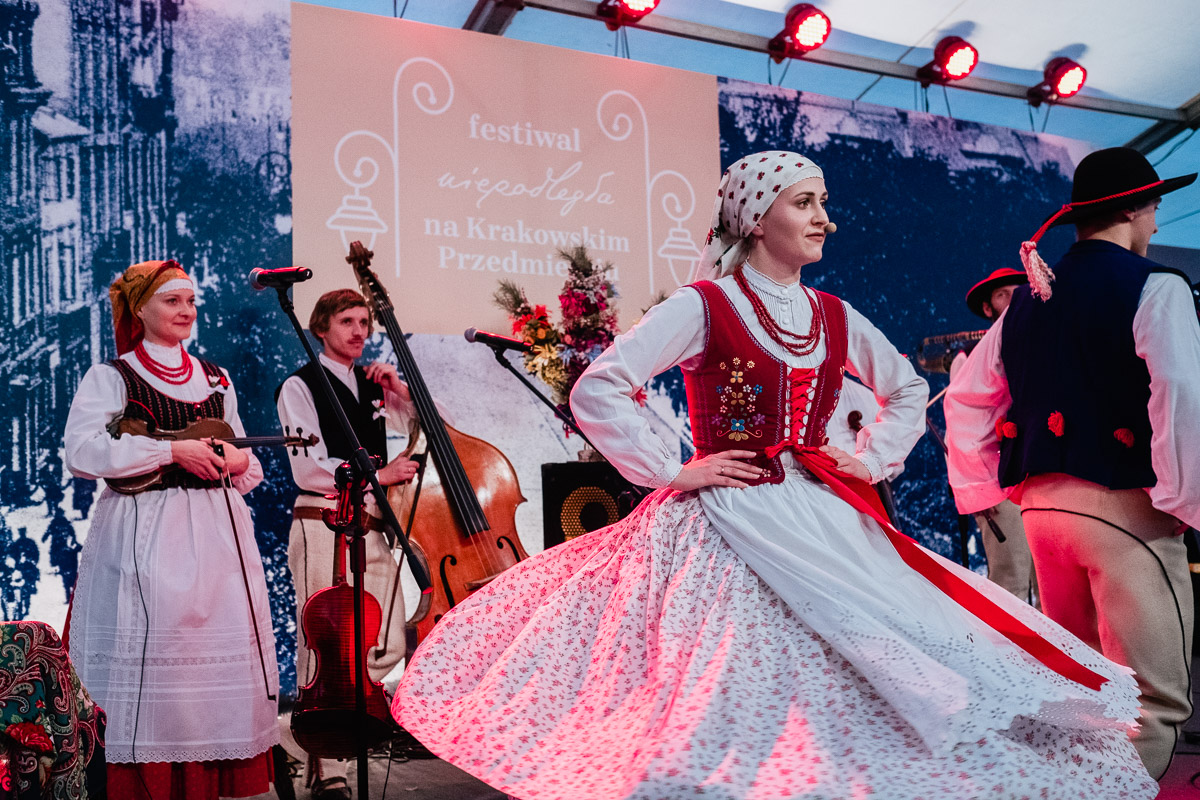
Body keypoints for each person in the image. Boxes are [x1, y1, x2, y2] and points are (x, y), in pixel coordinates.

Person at [392, 151, 1156, 799]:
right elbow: (600, 387)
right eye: (805, 203)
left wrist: (868, 459)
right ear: (757, 219)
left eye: (824, 203)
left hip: (818, 509)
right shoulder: (705, 305)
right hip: (728, 515)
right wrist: (673, 471)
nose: (825, 219)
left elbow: (905, 388)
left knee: (866, 667)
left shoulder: (833, 313)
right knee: (732, 684)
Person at [944, 146, 1200, 780]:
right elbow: (1180, 393)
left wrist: (987, 495)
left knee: (1083, 684)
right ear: (1135, 209)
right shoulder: (1156, 285)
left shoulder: (1027, 302)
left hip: (1041, 514)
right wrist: (1184, 501)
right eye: (1155, 208)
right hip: (1124, 508)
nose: (1157, 223)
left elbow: (966, 400)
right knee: (1152, 701)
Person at [63, 259, 278, 799]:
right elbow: (82, 452)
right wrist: (170, 451)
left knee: (204, 671)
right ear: (140, 309)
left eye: (191, 302)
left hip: (216, 538)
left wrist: (234, 460)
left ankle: (203, 775)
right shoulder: (112, 376)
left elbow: (246, 462)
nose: (186, 311)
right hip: (146, 533)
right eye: (172, 301)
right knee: (157, 662)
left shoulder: (216, 378)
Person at [275, 288, 420, 800]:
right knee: (326, 642)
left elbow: (427, 425)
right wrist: (380, 474)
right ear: (321, 327)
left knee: (385, 640)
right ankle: (325, 761)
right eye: (347, 321)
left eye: (363, 322)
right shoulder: (300, 384)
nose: (359, 331)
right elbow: (307, 467)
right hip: (323, 520)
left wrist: (400, 387)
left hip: (371, 523)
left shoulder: (373, 385)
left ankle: (327, 738)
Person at [949, 268, 1038, 606]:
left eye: (1018, 290)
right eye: (1003, 294)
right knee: (1011, 578)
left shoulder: (1039, 339)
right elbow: (964, 421)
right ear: (988, 308)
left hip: (1039, 474)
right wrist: (981, 488)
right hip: (1000, 479)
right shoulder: (971, 356)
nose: (1014, 298)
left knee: (1051, 583)